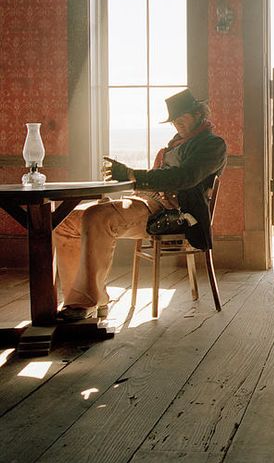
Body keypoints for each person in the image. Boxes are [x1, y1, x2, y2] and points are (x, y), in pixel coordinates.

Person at [55, 89, 227, 321]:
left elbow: (184, 177)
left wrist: (132, 175)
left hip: (173, 211)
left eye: (181, 119)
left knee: (97, 216)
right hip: (149, 200)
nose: (177, 125)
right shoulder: (176, 144)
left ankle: (85, 303)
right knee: (65, 221)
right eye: (174, 121)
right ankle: (82, 300)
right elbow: (160, 177)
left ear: (197, 114)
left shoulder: (212, 144)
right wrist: (131, 177)